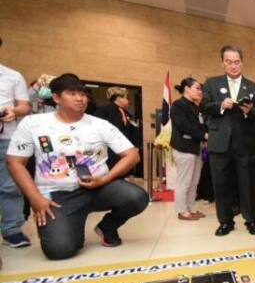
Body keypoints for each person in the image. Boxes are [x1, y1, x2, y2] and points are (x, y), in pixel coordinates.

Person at [6, 74, 149, 260]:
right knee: (60, 250)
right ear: (56, 98)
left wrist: (103, 180)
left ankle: (107, 227)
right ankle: (70, 227)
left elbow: (132, 155)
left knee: (136, 197)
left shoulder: (99, 124)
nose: (80, 98)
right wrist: (35, 199)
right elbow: (15, 162)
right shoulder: (33, 124)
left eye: (82, 94)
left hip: (98, 188)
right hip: (57, 195)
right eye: (72, 94)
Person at [202, 45, 255, 236]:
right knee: (221, 184)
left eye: (237, 62)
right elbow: (203, 106)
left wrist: (250, 111)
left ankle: (252, 220)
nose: (233, 66)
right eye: (229, 62)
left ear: (242, 63)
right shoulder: (211, 83)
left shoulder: (253, 87)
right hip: (220, 143)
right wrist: (221, 105)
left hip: (246, 144)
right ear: (223, 63)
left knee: (248, 185)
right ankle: (226, 222)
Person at [0, 36, 32, 249]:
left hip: (6, 137)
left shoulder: (12, 76)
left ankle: (12, 229)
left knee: (10, 185)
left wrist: (13, 111)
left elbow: (25, 106)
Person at [170, 77, 207, 221]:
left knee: (194, 181)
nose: (200, 91)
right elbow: (184, 126)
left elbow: (200, 125)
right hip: (183, 148)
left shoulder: (195, 106)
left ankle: (191, 208)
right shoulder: (178, 105)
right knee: (184, 181)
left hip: (195, 148)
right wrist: (204, 135)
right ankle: (182, 211)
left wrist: (204, 137)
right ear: (186, 88)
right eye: (197, 88)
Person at [95, 86, 140, 172]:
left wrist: (136, 145)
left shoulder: (125, 113)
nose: (128, 100)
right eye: (126, 98)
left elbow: (132, 129)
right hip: (109, 150)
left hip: (124, 149)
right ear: (119, 98)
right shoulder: (103, 110)